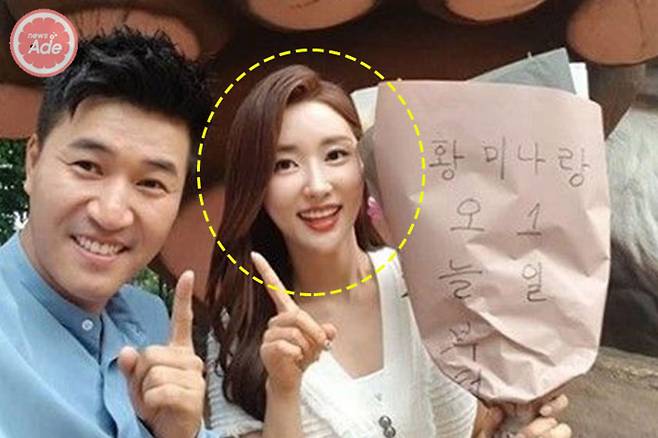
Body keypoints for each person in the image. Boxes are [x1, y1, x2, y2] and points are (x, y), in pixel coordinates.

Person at [204, 64, 572, 437]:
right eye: (284, 164)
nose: (317, 186)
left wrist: (519, 419)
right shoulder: (242, 330)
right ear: (257, 186)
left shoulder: (427, 279)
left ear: (364, 163)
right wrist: (282, 391)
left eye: (335, 155)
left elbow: (476, 429)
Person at [0, 28, 216, 438]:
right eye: (87, 166)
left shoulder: (149, 319)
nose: (112, 214)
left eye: (151, 183)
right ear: (33, 163)